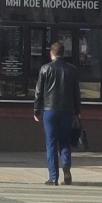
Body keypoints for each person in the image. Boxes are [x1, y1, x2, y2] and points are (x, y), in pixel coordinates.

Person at [32, 39, 82, 185]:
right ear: (63, 53)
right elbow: (76, 93)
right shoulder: (72, 70)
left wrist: (36, 110)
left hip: (50, 110)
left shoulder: (45, 69)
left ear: (51, 53)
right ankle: (66, 166)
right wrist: (77, 111)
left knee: (51, 143)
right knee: (65, 141)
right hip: (67, 111)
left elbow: (38, 92)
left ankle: (53, 177)